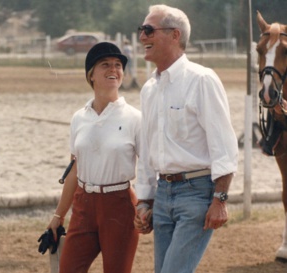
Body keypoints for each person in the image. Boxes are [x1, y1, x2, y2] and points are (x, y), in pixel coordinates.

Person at [134, 5, 239, 273]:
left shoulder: (202, 80)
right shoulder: (149, 90)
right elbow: (147, 150)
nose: (142, 37)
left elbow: (224, 146)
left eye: (148, 30)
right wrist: (145, 201)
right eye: (141, 30)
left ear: (174, 35)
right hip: (163, 193)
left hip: (197, 194)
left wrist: (220, 200)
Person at [47, 42, 141, 273]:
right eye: (105, 64)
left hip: (120, 205)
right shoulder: (79, 118)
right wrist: (58, 216)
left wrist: (147, 206)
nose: (114, 69)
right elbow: (74, 170)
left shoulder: (135, 118)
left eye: (118, 65)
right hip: (83, 205)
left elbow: (149, 168)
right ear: (91, 74)